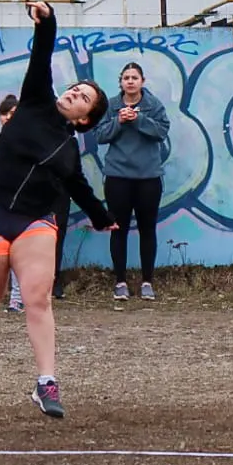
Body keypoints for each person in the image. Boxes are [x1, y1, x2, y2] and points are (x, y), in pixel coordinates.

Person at [0, 1, 117, 419]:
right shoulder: (36, 101)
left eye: (84, 98)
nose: (74, 93)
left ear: (85, 120)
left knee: (37, 298)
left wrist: (101, 217)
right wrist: (48, 24)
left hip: (34, 220)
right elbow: (41, 58)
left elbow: (79, 186)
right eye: (76, 88)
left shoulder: (69, 152)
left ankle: (46, 382)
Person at [93, 62, 171, 302]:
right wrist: (120, 121)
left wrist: (137, 120)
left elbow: (162, 131)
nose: (130, 81)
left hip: (148, 177)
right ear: (121, 82)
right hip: (118, 177)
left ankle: (147, 281)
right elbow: (100, 135)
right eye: (125, 77)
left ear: (142, 81)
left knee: (148, 229)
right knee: (119, 229)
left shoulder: (153, 105)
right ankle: (120, 282)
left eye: (134, 77)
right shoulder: (111, 106)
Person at [0, 94, 25, 314]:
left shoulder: (27, 141)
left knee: (18, 253)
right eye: (4, 114)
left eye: (12, 114)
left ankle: (17, 298)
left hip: (21, 204)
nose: (7, 118)